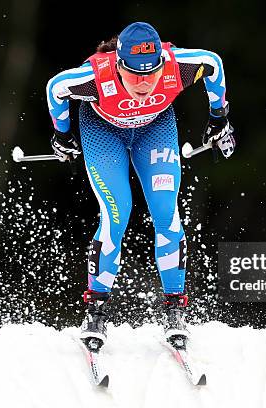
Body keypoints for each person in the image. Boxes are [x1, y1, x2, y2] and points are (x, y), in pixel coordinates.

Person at [45, 22, 235, 348]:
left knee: (165, 211)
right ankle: (95, 311)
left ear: (163, 62)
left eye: (152, 73)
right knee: (117, 213)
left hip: (155, 129)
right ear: (118, 66)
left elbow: (214, 64)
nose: (144, 83)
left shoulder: (179, 67)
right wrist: (61, 134)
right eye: (134, 75)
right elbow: (56, 88)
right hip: (103, 132)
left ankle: (175, 309)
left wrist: (219, 117)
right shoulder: (95, 77)